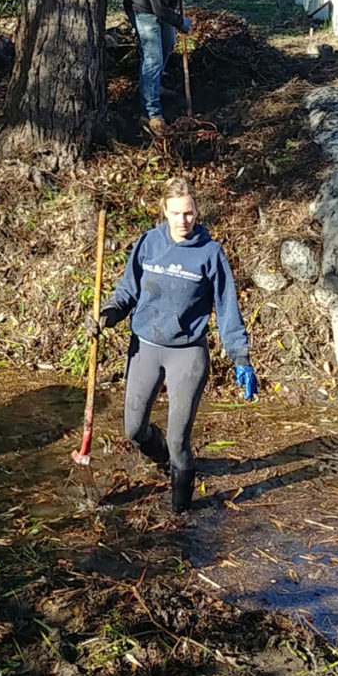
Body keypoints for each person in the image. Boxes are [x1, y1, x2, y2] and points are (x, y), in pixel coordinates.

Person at [85, 177, 258, 513]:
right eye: (176, 213)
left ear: (197, 212)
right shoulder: (149, 244)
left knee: (179, 440)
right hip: (145, 347)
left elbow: (227, 308)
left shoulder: (210, 254)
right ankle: (164, 461)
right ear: (164, 210)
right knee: (134, 428)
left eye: (189, 213)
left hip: (187, 354)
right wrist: (108, 314)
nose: (183, 221)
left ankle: (181, 516)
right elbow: (126, 292)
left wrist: (241, 356)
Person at [124, 0, 195, 136]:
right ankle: (151, 113)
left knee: (168, 45)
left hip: (163, 5)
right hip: (143, 7)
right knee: (152, 58)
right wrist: (181, 22)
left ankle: (153, 84)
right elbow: (159, 10)